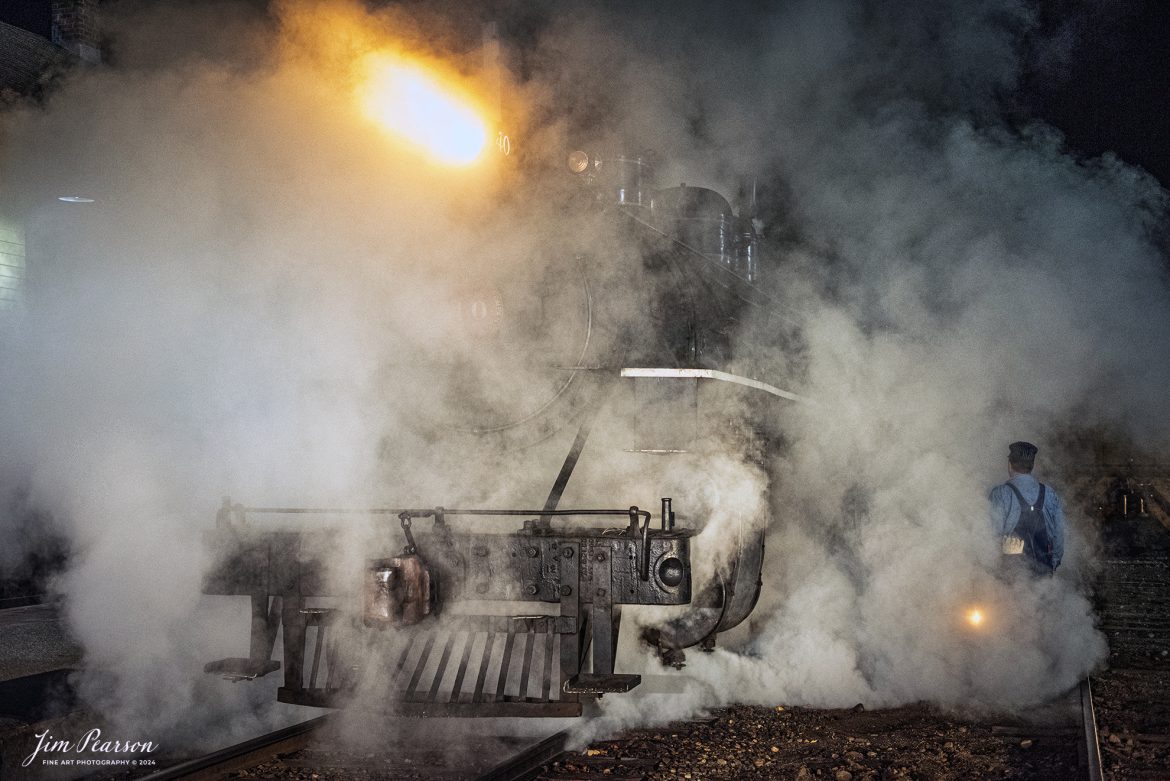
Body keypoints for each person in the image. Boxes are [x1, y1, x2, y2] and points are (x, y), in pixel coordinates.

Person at [989, 441, 1065, 574]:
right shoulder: (1049, 493)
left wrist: (992, 570)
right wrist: (1052, 565)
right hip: (1043, 573)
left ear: (1009, 465)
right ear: (1032, 466)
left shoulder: (1000, 493)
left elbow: (991, 536)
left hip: (1010, 574)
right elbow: (1059, 535)